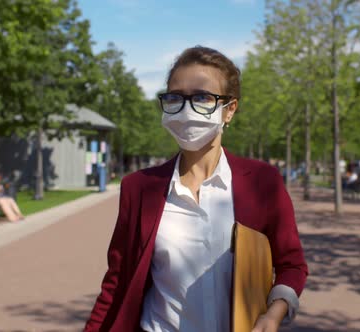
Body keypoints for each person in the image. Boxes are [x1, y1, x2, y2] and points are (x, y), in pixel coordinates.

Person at [84, 46, 308, 332]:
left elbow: (292, 265)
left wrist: (274, 314)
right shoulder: (139, 188)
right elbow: (117, 281)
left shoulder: (262, 182)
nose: (186, 109)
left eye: (202, 97)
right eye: (175, 97)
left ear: (230, 110)